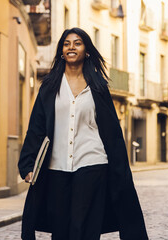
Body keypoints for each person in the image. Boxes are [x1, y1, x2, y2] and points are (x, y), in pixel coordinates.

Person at [18, 27, 148, 240]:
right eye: (67, 43)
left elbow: (112, 133)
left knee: (85, 229)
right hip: (56, 166)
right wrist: (27, 164)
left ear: (86, 50)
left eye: (77, 43)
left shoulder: (98, 87)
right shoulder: (50, 87)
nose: (71, 47)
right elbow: (36, 128)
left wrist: (119, 170)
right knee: (60, 230)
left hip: (92, 164)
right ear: (61, 51)